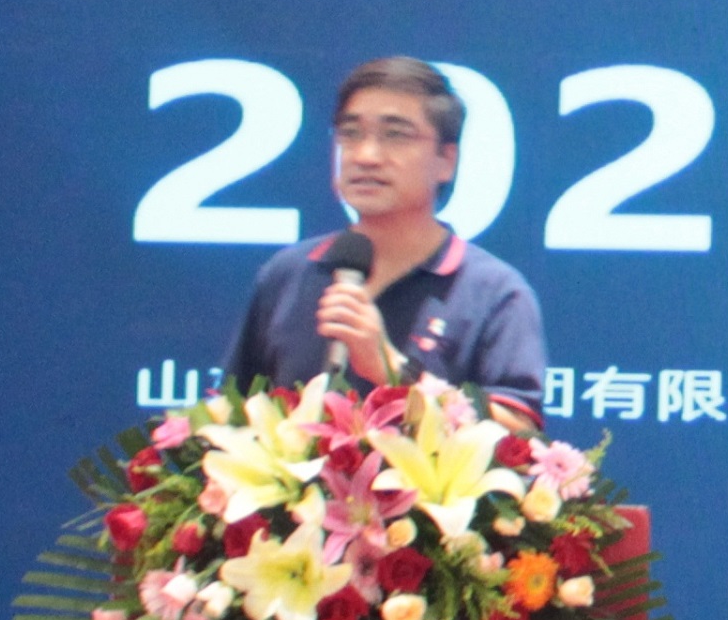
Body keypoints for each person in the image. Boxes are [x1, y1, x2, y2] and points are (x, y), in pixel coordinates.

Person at [223, 58, 545, 427]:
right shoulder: (287, 275)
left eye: (395, 135)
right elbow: (232, 418)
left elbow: (520, 437)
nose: (366, 156)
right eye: (350, 133)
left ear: (446, 160)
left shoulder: (494, 293)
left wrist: (392, 370)